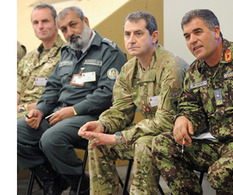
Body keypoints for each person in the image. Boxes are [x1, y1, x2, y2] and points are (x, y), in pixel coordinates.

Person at [152, 9, 233, 195]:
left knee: (218, 174)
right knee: (162, 144)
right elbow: (190, 107)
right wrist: (183, 118)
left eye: (198, 32)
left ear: (215, 32)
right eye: (187, 36)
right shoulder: (195, 72)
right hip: (217, 143)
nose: (192, 40)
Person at [17, 6, 127, 195]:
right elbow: (52, 87)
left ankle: (80, 185)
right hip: (59, 114)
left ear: (85, 22)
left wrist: (74, 110)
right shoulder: (67, 52)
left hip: (91, 116)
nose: (69, 33)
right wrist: (41, 110)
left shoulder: (109, 52)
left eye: (73, 25)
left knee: (51, 139)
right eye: (64, 29)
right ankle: (56, 178)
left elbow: (108, 93)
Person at [78, 11, 188, 195]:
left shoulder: (171, 67)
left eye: (138, 33)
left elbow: (166, 122)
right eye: (127, 34)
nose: (131, 40)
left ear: (154, 36)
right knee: (97, 143)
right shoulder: (128, 70)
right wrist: (102, 125)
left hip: (175, 136)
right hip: (145, 132)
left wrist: (118, 137)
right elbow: (120, 111)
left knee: (143, 144)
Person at [17, 4, 66, 119]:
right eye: (36, 23)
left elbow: (60, 98)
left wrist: (23, 108)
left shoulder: (67, 55)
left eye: (45, 21)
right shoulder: (27, 59)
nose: (40, 26)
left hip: (42, 114)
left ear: (56, 23)